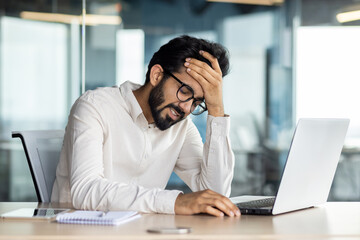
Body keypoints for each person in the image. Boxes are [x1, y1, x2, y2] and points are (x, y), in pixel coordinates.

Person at [51, 35, 240, 217]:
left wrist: (216, 109)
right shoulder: (94, 106)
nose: (186, 108)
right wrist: (175, 202)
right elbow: (85, 191)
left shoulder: (181, 127)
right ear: (157, 75)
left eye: (197, 102)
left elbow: (215, 195)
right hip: (79, 231)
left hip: (141, 232)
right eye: (184, 91)